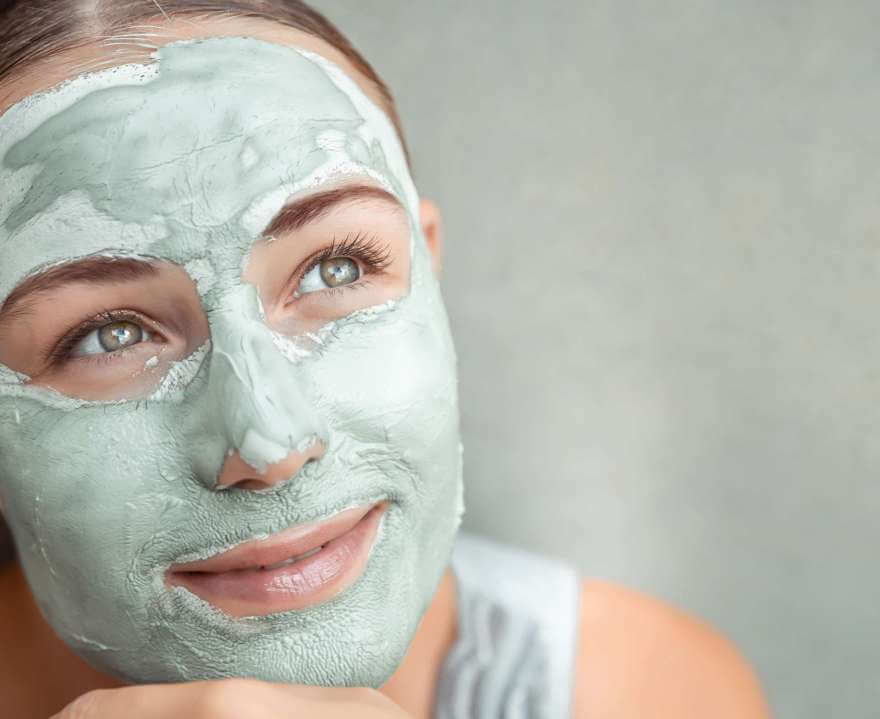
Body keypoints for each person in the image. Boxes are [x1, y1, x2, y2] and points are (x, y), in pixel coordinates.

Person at [0, 2, 772, 718]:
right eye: (109, 335)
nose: (272, 445)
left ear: (428, 268)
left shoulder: (648, 690)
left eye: (334, 269)